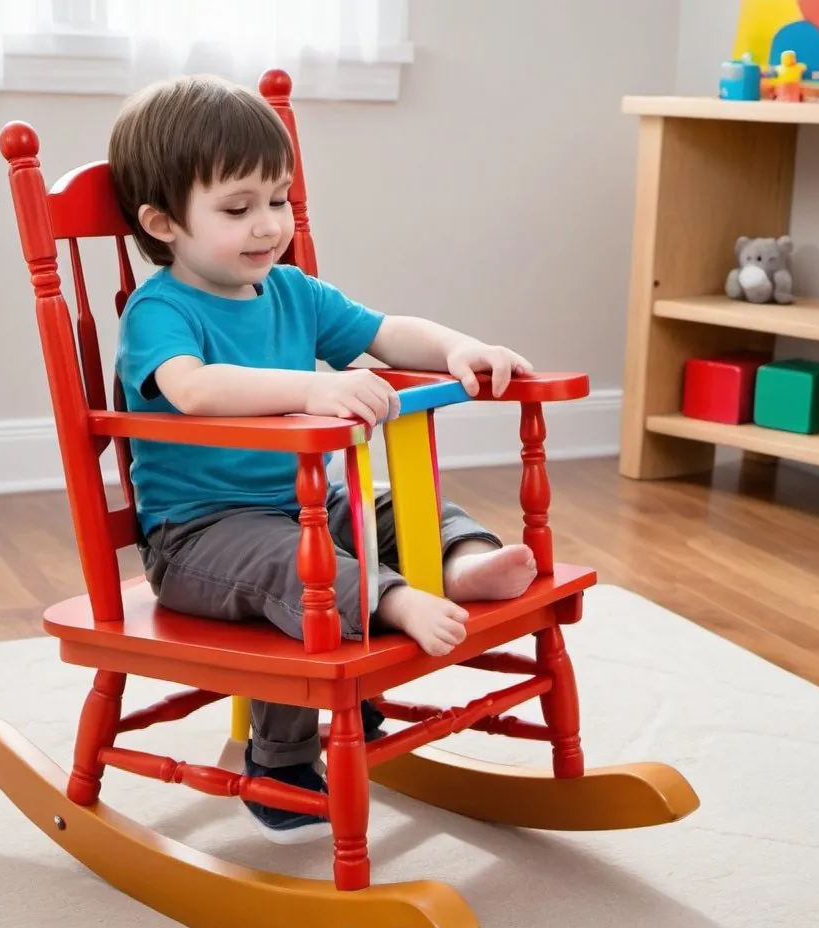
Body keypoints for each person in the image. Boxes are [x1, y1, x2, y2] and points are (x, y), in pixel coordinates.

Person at [108, 74, 537, 843]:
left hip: (293, 507)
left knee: (388, 510)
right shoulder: (160, 310)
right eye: (238, 209)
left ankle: (463, 561)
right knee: (300, 568)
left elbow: (384, 332)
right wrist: (312, 387)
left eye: (277, 198)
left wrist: (457, 346)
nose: (268, 224)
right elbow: (196, 390)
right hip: (199, 537)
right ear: (163, 222)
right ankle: (287, 756)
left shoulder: (293, 291)